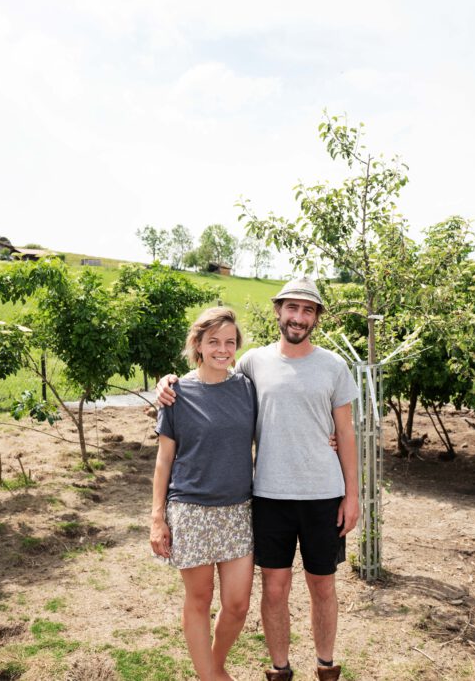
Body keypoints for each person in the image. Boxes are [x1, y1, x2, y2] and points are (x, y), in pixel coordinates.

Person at [159, 277, 359, 681]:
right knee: (274, 589)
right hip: (268, 496)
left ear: (316, 317)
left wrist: (352, 494)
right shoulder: (254, 361)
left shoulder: (334, 366)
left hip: (323, 495)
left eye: (307, 310)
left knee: (323, 586)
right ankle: (279, 669)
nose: (298, 317)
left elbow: (348, 433)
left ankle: (325, 666)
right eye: (292, 308)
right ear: (278, 311)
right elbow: (208, 375)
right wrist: (168, 383)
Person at [150, 307, 257, 681]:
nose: (223, 349)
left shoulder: (246, 388)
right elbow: (164, 460)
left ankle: (212, 664)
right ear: (198, 344)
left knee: (238, 604)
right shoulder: (175, 393)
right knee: (199, 600)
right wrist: (157, 518)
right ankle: (210, 676)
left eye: (230, 342)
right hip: (191, 509)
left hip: (238, 510)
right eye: (213, 342)